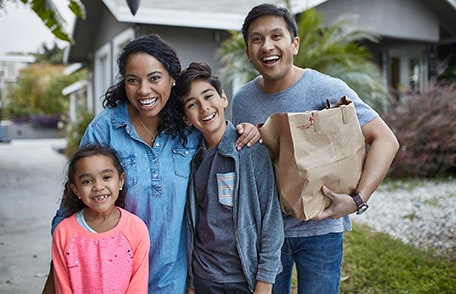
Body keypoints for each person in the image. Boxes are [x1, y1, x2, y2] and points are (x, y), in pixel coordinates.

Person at [42, 34, 260, 293]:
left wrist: (248, 131)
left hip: (172, 278)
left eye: (154, 78)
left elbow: (220, 140)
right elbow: (73, 205)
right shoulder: (105, 130)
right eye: (133, 80)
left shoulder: (189, 127)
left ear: (172, 78)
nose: (143, 90)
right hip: (112, 278)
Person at [232, 4, 400, 293]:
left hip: (321, 232)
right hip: (266, 236)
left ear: (294, 44)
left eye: (276, 36)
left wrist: (358, 200)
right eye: (257, 39)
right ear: (248, 52)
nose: (267, 46)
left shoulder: (325, 88)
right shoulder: (243, 101)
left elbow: (385, 140)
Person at [175, 61, 283, 294]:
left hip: (245, 276)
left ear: (223, 98)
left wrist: (265, 280)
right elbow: (193, 223)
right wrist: (193, 282)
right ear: (186, 118)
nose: (204, 108)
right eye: (192, 104)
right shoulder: (191, 159)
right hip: (205, 276)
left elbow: (271, 218)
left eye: (208, 96)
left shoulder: (250, 149)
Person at [52, 144, 150, 293]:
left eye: (106, 177)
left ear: (121, 180)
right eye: (86, 181)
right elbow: (62, 286)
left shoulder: (136, 229)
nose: (98, 186)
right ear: (76, 189)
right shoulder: (64, 232)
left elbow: (138, 285)